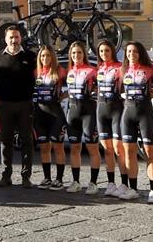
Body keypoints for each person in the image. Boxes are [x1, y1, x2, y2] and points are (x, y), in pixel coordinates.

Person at [0, 27, 34, 188]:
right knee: (5, 140)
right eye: (11, 37)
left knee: (26, 140)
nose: (14, 40)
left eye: (16, 37)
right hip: (5, 104)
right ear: (5, 39)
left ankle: (26, 176)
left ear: (20, 38)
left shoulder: (30, 56)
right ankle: (6, 175)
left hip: (25, 104)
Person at [119, 41, 153, 202]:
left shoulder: (150, 69)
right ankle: (133, 188)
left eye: (135, 51)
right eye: (129, 52)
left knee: (150, 152)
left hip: (145, 112)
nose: (131, 54)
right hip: (127, 112)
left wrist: (149, 96)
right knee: (129, 152)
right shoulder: (122, 70)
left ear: (140, 53)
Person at [63, 41, 100, 195]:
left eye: (79, 53)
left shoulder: (92, 70)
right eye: (73, 53)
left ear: (84, 54)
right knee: (74, 148)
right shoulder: (70, 71)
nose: (76, 56)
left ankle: (93, 183)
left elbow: (100, 89)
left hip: (88, 112)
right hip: (73, 112)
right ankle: (76, 181)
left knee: (92, 148)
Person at [94, 40, 129, 198]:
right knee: (107, 150)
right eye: (101, 51)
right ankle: (110, 183)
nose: (104, 54)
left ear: (112, 51)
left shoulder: (120, 66)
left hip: (116, 110)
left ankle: (124, 183)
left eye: (107, 50)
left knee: (118, 150)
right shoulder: (98, 68)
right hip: (101, 110)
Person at [33, 45, 65, 190]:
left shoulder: (60, 71)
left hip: (55, 114)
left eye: (48, 56)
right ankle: (47, 178)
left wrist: (64, 95)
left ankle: (59, 179)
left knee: (58, 147)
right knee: (44, 148)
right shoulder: (36, 72)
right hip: (40, 114)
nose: (45, 58)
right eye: (42, 56)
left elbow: (72, 87)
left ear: (53, 57)